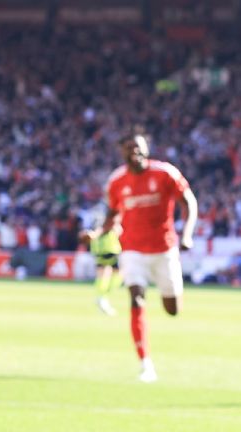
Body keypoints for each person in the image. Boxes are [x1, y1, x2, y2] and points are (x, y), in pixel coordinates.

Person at [83, 131, 197, 382]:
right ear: (122, 153)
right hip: (133, 249)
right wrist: (96, 234)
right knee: (136, 298)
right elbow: (112, 215)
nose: (133, 151)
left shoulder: (165, 173)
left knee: (172, 309)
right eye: (127, 148)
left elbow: (188, 201)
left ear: (146, 148)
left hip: (164, 249)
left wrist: (187, 234)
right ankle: (145, 363)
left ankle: (165, 292)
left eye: (137, 146)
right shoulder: (117, 181)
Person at [81, 224, 122, 316]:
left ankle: (102, 297)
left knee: (105, 274)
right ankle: (103, 297)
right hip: (110, 249)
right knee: (113, 274)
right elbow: (102, 228)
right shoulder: (107, 219)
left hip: (102, 250)